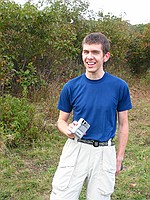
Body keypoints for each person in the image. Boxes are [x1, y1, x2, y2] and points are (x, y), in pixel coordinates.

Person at [50, 32, 132, 200]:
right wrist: (68, 131)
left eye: (95, 52)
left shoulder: (119, 86)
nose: (89, 57)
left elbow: (123, 124)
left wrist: (119, 157)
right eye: (86, 52)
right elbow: (61, 120)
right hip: (76, 149)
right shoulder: (71, 87)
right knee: (61, 196)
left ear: (106, 56)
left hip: (104, 152)